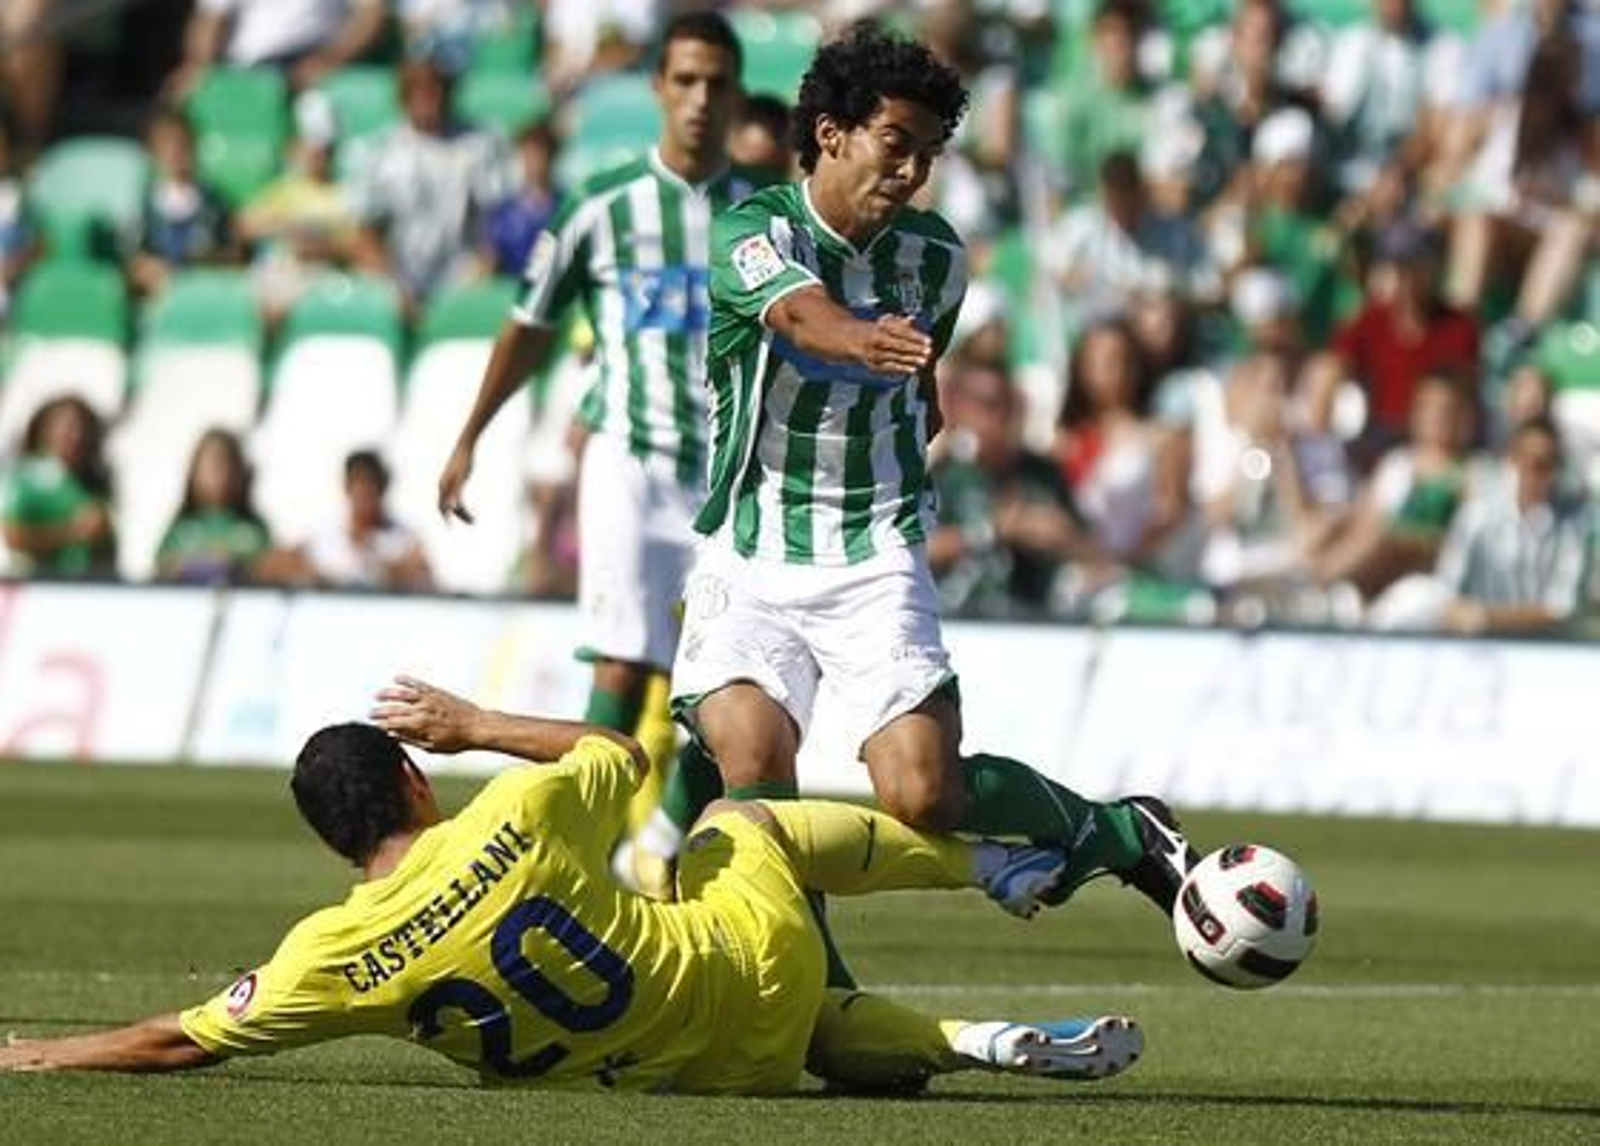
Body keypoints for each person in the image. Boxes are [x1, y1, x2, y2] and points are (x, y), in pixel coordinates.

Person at [637, 26, 1197, 934]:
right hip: (751, 545)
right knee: (752, 768)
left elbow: (923, 386)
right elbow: (798, 314)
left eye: (928, 155)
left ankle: (1119, 831)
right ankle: (817, 992)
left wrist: (911, 394)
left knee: (924, 793)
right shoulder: (754, 228)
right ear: (831, 133)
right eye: (896, 145)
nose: (911, 173)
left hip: (874, 548)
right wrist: (861, 340)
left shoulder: (936, 257)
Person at [0, 676, 1146, 1092]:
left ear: (328, 841)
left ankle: (962, 1042)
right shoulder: (511, 811)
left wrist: (43, 1053)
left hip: (698, 1077)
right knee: (731, 824)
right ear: (412, 780)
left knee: (810, 1029)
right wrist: (475, 723)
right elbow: (622, 754)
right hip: (733, 967)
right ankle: (988, 864)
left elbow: (184, 1041)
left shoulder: (331, 957)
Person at [436, 12, 759, 869]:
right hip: (629, 459)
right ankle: (574, 858)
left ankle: (653, 842)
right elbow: (529, 325)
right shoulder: (603, 206)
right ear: (658, 87)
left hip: (728, 482)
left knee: (734, 691)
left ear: (734, 95)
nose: (699, 100)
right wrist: (471, 434)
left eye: (716, 84)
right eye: (685, 81)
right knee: (620, 667)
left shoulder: (762, 216)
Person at [1, 396, 116, 578]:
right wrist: (71, 532)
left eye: (82, 429)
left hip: (90, 586)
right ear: (45, 430)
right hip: (41, 586)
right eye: (67, 427)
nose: (75, 435)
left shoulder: (96, 480)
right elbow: (12, 537)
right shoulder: (26, 477)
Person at [155, 428, 273, 585]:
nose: (222, 475)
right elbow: (161, 570)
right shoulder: (181, 530)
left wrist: (236, 565)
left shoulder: (253, 529)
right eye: (213, 466)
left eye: (229, 466)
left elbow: (270, 569)